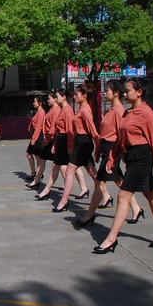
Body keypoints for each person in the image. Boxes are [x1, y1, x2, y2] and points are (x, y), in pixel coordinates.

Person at [93, 77, 153, 254]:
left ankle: (111, 239)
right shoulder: (128, 113)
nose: (125, 94)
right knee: (150, 193)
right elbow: (119, 139)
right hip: (130, 157)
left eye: (128, 91)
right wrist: (112, 159)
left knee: (123, 196)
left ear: (139, 92)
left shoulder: (147, 113)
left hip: (142, 157)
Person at [75, 79, 144, 227]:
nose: (105, 93)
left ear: (116, 93)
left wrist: (114, 155)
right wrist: (98, 149)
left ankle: (89, 215)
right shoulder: (110, 110)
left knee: (99, 182)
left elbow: (120, 134)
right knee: (118, 180)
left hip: (113, 149)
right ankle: (137, 208)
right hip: (106, 148)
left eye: (107, 90)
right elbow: (104, 132)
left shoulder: (119, 111)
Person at [52, 83, 100, 213]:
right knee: (92, 172)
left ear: (84, 96)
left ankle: (63, 201)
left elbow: (93, 130)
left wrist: (98, 148)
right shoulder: (81, 109)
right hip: (80, 141)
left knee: (69, 171)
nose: (74, 96)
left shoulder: (85, 110)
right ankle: (106, 195)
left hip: (84, 142)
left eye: (77, 94)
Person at [35, 89, 89, 201]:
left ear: (64, 97)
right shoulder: (62, 110)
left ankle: (49, 191)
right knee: (66, 166)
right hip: (61, 140)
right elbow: (57, 128)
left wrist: (69, 146)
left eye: (57, 96)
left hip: (66, 140)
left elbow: (69, 129)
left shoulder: (67, 110)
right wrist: (55, 143)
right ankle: (84, 188)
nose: (56, 99)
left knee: (73, 167)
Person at [25, 96, 46, 186]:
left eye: (35, 102)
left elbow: (38, 127)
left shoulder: (41, 112)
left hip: (38, 135)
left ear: (39, 103)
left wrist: (34, 139)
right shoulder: (38, 112)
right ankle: (34, 172)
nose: (33, 103)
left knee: (37, 156)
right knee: (30, 154)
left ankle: (38, 174)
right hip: (35, 134)